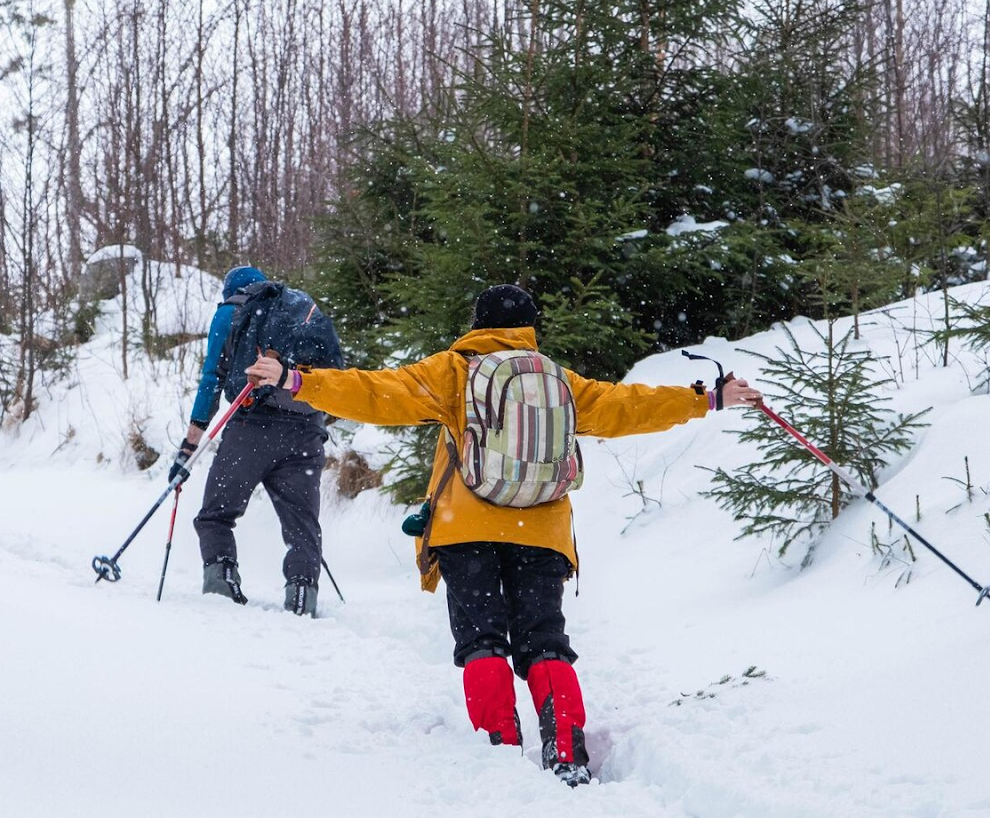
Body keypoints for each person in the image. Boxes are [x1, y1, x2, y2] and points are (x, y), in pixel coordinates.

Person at [245, 283, 761, 785]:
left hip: (465, 528)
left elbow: (378, 392)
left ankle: (501, 750)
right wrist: (709, 398)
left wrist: (297, 380)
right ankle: (566, 753)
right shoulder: (558, 379)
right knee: (545, 642)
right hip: (541, 529)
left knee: (482, 641)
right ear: (530, 328)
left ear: (478, 325)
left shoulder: (454, 371)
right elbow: (628, 405)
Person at [170, 266, 333, 617]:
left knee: (215, 515)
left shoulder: (231, 312)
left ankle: (222, 591)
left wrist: (188, 446)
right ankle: (303, 598)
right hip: (306, 429)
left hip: (252, 428)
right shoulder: (301, 308)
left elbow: (211, 379)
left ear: (232, 291)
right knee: (302, 525)